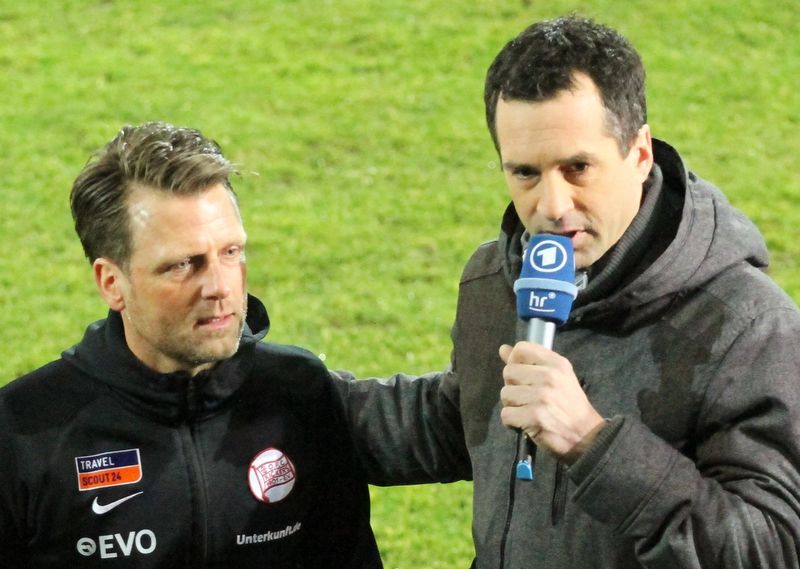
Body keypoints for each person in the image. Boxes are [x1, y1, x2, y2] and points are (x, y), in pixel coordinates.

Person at [335, 15, 800, 569]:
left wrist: (592, 441)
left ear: (640, 154)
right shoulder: (495, 279)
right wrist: (279, 387)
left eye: (577, 167)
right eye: (525, 174)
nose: (552, 206)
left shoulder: (748, 326)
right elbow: (459, 422)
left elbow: (773, 548)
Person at [0, 122, 382, 568]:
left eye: (231, 252)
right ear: (112, 283)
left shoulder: (299, 393)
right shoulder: (22, 432)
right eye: (183, 264)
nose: (219, 287)